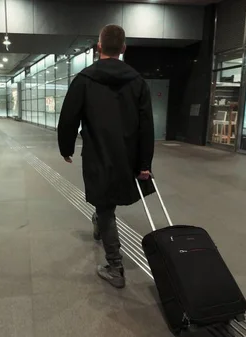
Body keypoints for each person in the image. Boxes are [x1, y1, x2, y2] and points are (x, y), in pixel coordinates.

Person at [57, 24, 154, 289]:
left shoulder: (84, 79)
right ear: (123, 49)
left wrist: (66, 148)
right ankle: (99, 225)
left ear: (98, 47)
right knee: (106, 204)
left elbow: (68, 118)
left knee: (105, 205)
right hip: (128, 155)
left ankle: (115, 267)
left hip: (98, 153)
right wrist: (145, 164)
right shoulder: (138, 82)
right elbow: (147, 126)